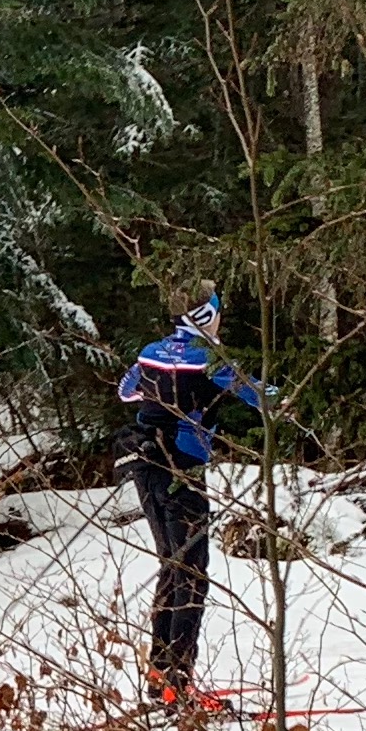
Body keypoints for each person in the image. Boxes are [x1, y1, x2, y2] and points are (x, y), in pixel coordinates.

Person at [118, 288, 278, 699]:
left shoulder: (151, 350)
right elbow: (256, 393)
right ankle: (178, 682)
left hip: (144, 463)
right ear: (205, 316)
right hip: (182, 469)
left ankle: (160, 675)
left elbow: (127, 390)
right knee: (192, 572)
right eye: (218, 314)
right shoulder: (210, 357)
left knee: (172, 566)